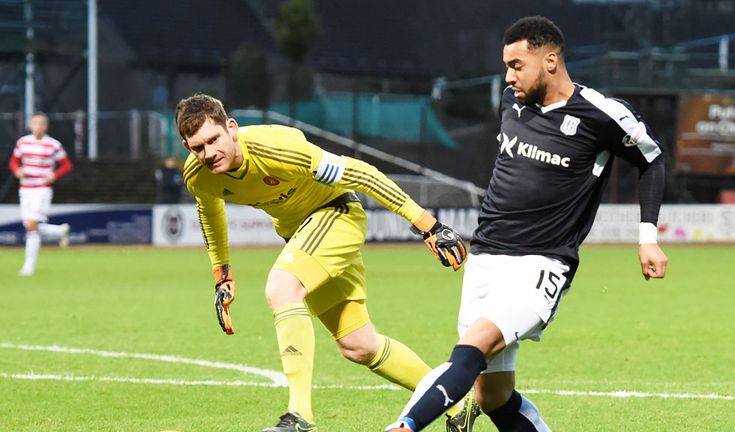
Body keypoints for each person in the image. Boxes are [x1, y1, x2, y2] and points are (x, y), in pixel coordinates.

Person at [385, 16, 668, 432]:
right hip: (484, 258)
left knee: (473, 346)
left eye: (517, 65)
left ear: (550, 60)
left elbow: (652, 159)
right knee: (492, 396)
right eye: (505, 66)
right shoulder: (510, 101)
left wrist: (648, 238)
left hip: (541, 265)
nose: (508, 76)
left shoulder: (600, 115)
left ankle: (405, 425)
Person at [175, 94, 478, 432]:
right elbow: (210, 210)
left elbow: (362, 174)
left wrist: (428, 225)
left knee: (282, 287)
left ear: (231, 128)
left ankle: (299, 417)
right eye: (197, 147)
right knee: (359, 345)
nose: (209, 153)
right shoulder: (199, 175)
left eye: (214, 140)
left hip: (335, 214)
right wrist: (222, 274)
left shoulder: (279, 148)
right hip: (301, 235)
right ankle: (456, 398)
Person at [9, 112, 73, 276]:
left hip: (42, 189)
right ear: (31, 125)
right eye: (36, 123)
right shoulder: (23, 142)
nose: (38, 126)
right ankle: (59, 232)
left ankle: (28, 267)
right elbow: (14, 161)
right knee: (31, 227)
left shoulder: (53, 145)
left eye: (42, 123)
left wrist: (54, 175)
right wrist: (17, 170)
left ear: (46, 126)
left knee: (31, 226)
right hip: (25, 189)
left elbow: (66, 165)